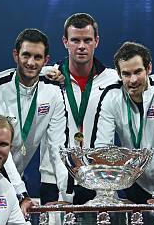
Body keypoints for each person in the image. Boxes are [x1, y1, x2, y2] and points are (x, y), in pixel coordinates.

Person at [0, 28, 72, 213]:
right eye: (26, 55)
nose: (31, 63)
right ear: (15, 55)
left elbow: (58, 148)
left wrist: (67, 197)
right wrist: (20, 193)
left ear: (46, 60)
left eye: (37, 57)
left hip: (14, 177)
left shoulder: (54, 93)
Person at [90, 41, 154, 203]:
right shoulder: (111, 96)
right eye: (126, 74)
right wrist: (109, 197)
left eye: (138, 72)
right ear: (119, 75)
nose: (133, 80)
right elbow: (102, 148)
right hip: (135, 182)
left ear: (149, 69)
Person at [41, 13, 120, 204]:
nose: (81, 46)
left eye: (87, 40)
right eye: (75, 40)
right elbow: (17, 83)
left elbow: (143, 85)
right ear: (65, 41)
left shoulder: (113, 79)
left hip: (97, 176)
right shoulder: (47, 79)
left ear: (97, 41)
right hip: (53, 176)